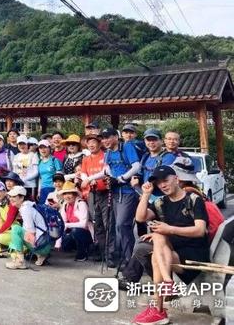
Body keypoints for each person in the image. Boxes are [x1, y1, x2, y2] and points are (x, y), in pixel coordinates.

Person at [131, 166, 210, 325]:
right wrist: (146, 195)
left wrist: (169, 229)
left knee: (157, 247)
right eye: (159, 183)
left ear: (176, 179)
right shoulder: (160, 202)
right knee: (158, 237)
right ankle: (167, 285)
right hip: (171, 253)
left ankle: (158, 308)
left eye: (165, 180)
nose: (162, 185)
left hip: (194, 255)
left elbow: (200, 230)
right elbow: (140, 218)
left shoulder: (194, 199)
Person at [101, 127, 141, 268]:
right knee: (118, 227)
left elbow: (136, 166)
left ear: (116, 137)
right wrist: (109, 178)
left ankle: (131, 260)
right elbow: (108, 169)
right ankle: (126, 258)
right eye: (103, 138)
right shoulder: (108, 153)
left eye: (108, 137)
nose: (105, 140)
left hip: (128, 192)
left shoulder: (126, 147)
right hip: (116, 193)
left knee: (122, 225)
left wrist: (121, 178)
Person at [79, 134, 112, 263]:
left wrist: (90, 179)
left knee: (107, 223)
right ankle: (102, 252)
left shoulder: (106, 155)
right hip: (93, 193)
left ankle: (110, 254)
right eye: (89, 143)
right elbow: (83, 173)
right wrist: (87, 179)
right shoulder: (86, 159)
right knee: (97, 223)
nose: (91, 145)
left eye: (94, 142)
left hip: (106, 192)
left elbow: (106, 172)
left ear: (99, 143)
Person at [6, 185, 52, 269]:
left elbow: (31, 233)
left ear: (22, 198)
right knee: (18, 231)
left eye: (14, 196)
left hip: (42, 246)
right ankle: (40, 255)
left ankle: (20, 261)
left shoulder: (25, 209)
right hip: (46, 244)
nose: (11, 198)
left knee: (15, 229)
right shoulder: (29, 206)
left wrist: (14, 247)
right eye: (10, 196)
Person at [58, 181, 93, 262]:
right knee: (64, 245)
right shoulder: (65, 205)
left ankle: (83, 253)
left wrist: (68, 225)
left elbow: (83, 224)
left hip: (86, 233)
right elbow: (63, 223)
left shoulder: (81, 204)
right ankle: (76, 247)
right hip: (73, 231)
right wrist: (58, 241)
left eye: (69, 193)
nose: (67, 196)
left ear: (75, 194)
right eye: (65, 194)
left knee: (75, 231)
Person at [0, 181, 19, 254]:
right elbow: (1, 220)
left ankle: (21, 248)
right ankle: (3, 250)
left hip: (17, 229)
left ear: (5, 192)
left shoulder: (11, 202)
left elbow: (9, 222)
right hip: (9, 230)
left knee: (1, 237)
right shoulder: (0, 203)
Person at [36, 139, 62, 204]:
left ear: (49, 148)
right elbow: (40, 178)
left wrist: (57, 189)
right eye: (40, 148)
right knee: (42, 208)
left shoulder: (54, 160)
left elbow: (60, 176)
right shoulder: (40, 162)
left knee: (52, 207)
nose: (43, 150)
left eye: (45, 147)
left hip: (53, 188)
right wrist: (39, 191)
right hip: (43, 189)